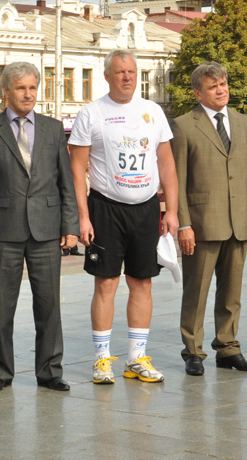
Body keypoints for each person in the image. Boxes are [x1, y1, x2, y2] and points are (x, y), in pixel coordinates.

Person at [69, 50, 179, 384]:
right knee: (106, 283)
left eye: (131, 71)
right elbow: (77, 168)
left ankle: (136, 357)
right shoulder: (92, 113)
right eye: (119, 72)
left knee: (142, 282)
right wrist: (83, 217)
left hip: (146, 208)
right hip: (105, 208)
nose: (127, 77)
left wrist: (171, 209)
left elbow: (167, 163)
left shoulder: (152, 111)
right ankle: (102, 359)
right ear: (107, 76)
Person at [0, 61, 79, 393]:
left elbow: (66, 182)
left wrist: (70, 225)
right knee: (2, 306)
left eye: (33, 87)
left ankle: (50, 371)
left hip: (47, 229)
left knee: (49, 305)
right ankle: (0, 373)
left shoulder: (52, 128)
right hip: (3, 231)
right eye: (21, 88)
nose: (28, 94)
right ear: (6, 91)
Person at [171, 62, 247, 376]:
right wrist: (183, 224)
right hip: (201, 224)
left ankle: (228, 348)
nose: (221, 90)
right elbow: (178, 181)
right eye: (213, 86)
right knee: (195, 293)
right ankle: (193, 352)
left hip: (239, 221)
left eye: (223, 83)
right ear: (198, 93)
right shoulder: (183, 126)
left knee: (232, 294)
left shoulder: (245, 123)